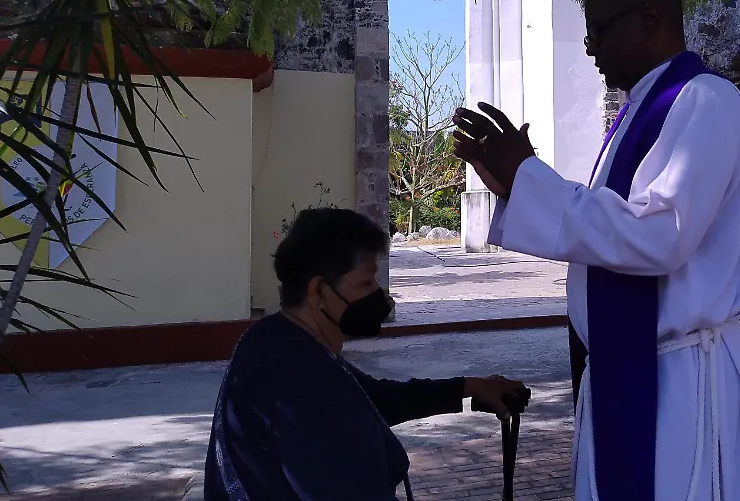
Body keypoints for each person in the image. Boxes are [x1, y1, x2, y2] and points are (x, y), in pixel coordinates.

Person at [452, 0, 740, 501]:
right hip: (624, 366)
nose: (591, 49)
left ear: (650, 18)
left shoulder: (705, 100)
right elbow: (612, 226)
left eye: (599, 31)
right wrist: (517, 187)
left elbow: (659, 234)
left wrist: (531, 179)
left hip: (678, 379)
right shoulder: (637, 112)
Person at [204, 207, 526, 501]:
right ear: (318, 292)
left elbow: (373, 398)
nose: (378, 295)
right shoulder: (301, 380)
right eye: (366, 282)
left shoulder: (276, 340)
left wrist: (468, 388)